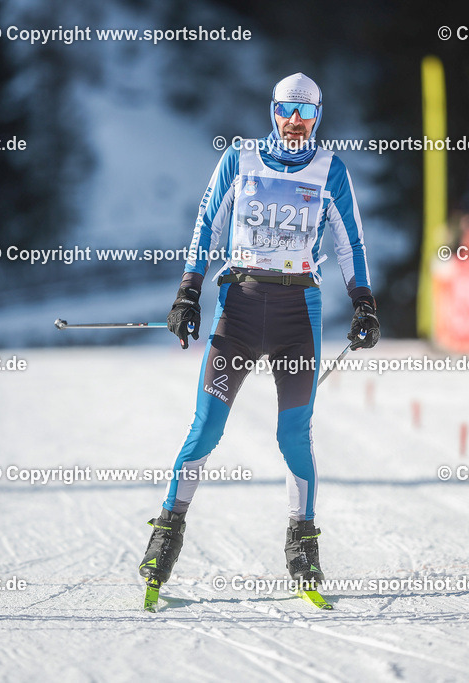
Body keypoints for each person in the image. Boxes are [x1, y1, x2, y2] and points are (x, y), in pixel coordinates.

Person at [138, 72, 379, 595]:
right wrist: (187, 292)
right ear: (273, 112)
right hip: (240, 311)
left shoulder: (330, 170)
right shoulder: (240, 160)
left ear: (318, 117)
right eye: (287, 110)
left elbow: (350, 243)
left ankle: (303, 543)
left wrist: (363, 302)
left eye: (306, 112)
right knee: (206, 427)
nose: (295, 121)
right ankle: (166, 534)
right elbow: (207, 225)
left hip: (298, 316)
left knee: (293, 433)